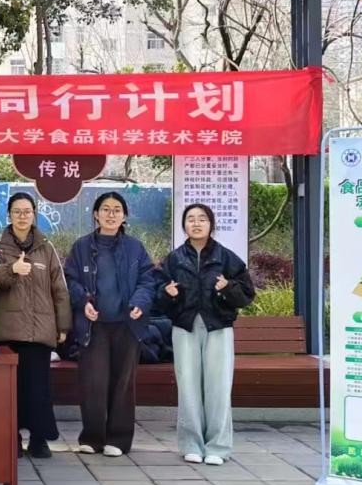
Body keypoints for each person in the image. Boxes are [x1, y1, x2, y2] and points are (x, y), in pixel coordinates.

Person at [157, 202, 256, 466]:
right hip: (185, 327)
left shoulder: (226, 257)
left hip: (218, 327)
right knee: (187, 385)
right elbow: (158, 294)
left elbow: (247, 295)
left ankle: (218, 447)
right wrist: (168, 294)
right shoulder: (174, 259)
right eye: (191, 219)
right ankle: (191, 444)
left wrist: (227, 288)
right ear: (184, 225)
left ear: (211, 224)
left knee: (218, 387)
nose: (196, 223)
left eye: (202, 218)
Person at [63, 191, 156, 457]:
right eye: (105, 209)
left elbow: (148, 280)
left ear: (125, 216)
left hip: (127, 324)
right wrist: (84, 301)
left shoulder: (135, 248)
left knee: (122, 383)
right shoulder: (81, 247)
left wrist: (139, 302)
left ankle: (119, 439)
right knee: (93, 382)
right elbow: (70, 280)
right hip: (94, 326)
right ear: (96, 214)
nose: (111, 214)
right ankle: (92, 437)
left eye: (117, 210)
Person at [0, 193, 70, 459]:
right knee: (10, 390)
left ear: (34, 214)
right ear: (9, 215)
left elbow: (60, 288)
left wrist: (63, 324)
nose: (22, 216)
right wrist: (12, 269)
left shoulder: (47, 248)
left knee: (38, 389)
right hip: (8, 329)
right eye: (17, 211)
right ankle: (12, 438)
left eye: (27, 211)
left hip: (39, 329)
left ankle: (39, 439)